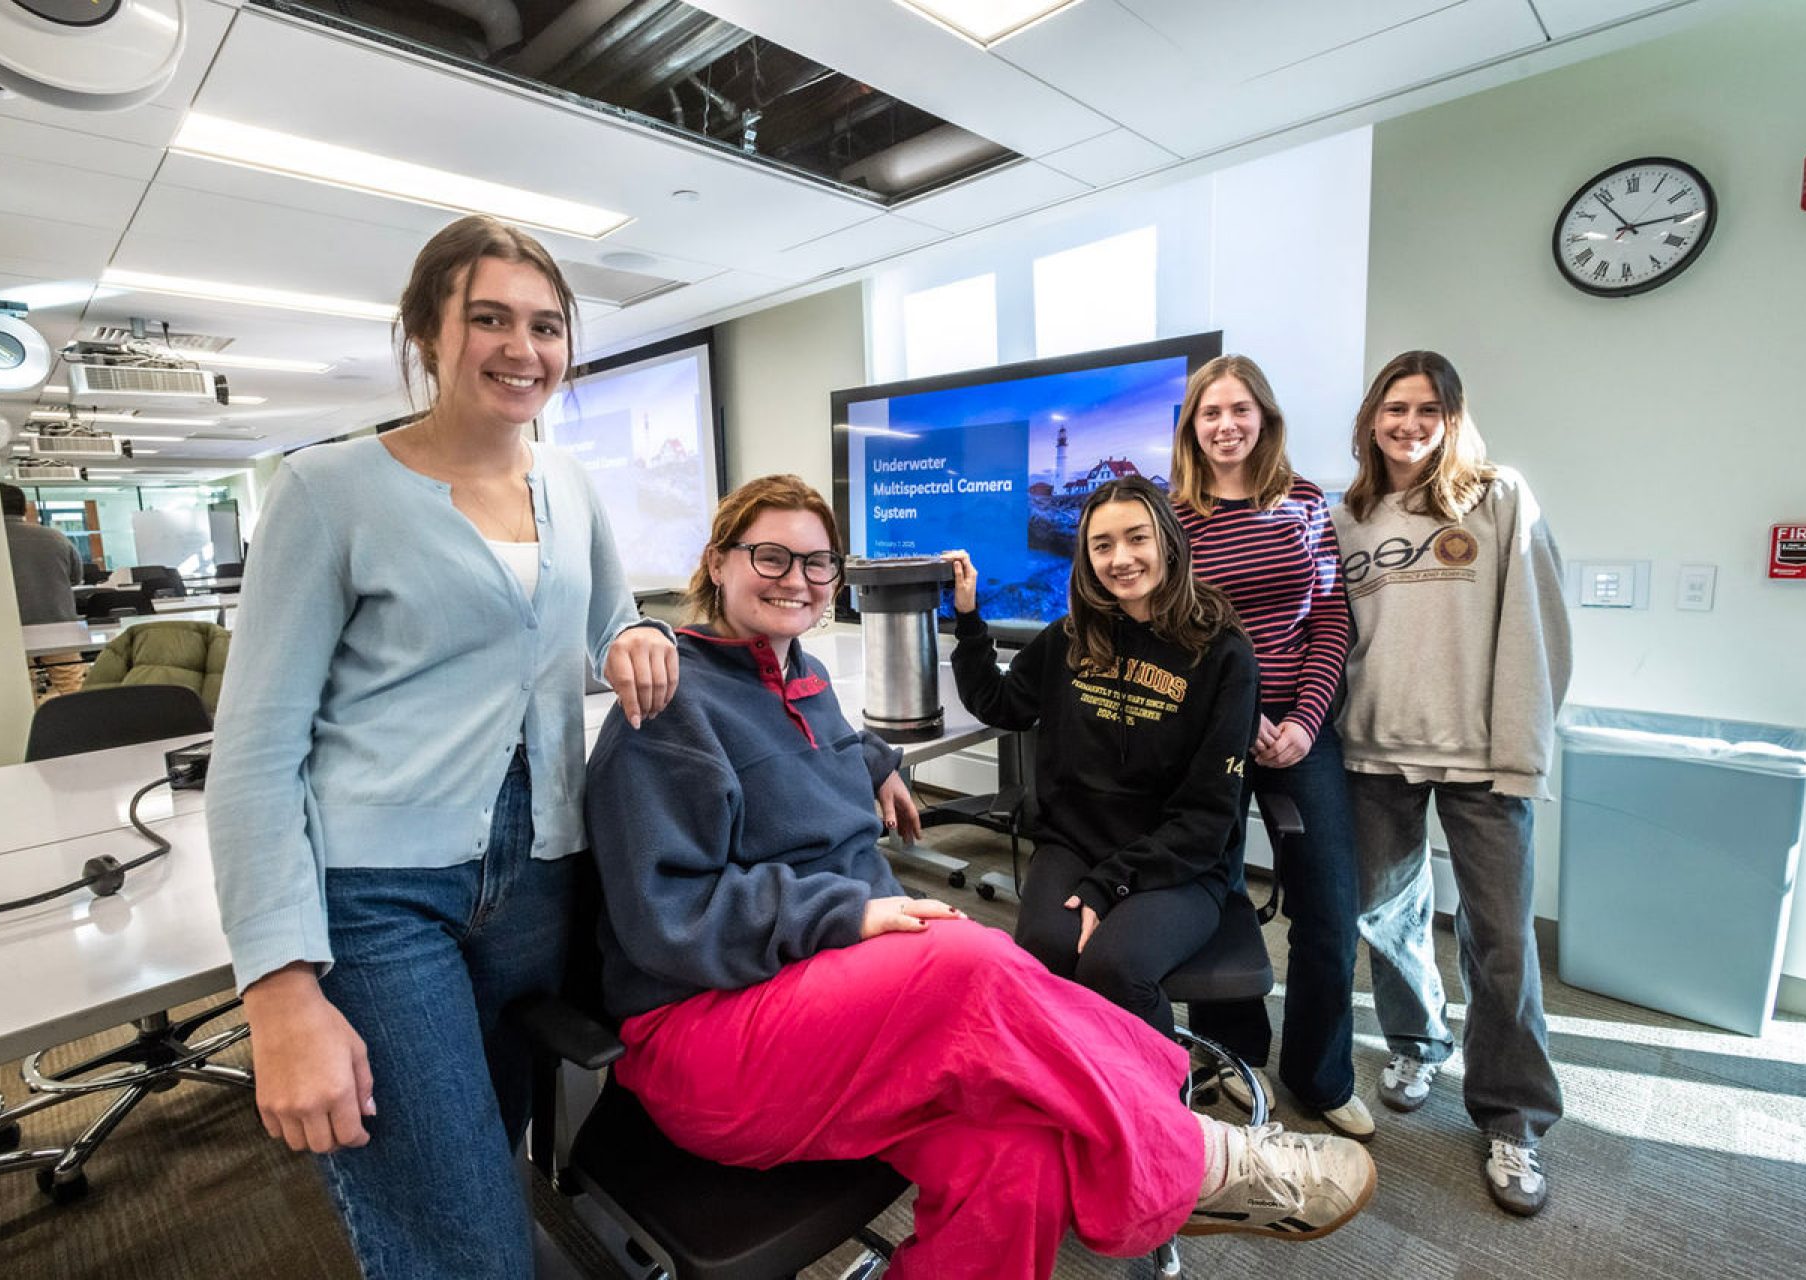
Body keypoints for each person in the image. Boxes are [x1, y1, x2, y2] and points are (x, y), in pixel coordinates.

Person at [584, 474, 1375, 1280]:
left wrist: (877, 763)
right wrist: (846, 916)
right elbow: (670, 916)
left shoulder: (803, 675)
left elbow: (819, 739)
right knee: (973, 959)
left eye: (818, 564)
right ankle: (1191, 1158)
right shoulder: (669, 697)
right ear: (717, 563)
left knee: (1020, 1157)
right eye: (771, 556)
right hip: (712, 1033)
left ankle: (1164, 1140)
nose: (797, 579)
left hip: (830, 1008)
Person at [205, 214, 679, 1278]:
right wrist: (277, 988)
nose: (524, 347)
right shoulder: (329, 493)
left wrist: (637, 631)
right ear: (428, 331)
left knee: (487, 1165)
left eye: (546, 325)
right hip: (382, 899)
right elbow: (252, 752)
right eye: (490, 318)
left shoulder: (571, 484)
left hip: (539, 885)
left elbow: (608, 616)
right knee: (464, 1243)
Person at [1331, 350, 1571, 1216]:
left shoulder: (1499, 495)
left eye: (1427, 409)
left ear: (1452, 416)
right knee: (1384, 913)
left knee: (1501, 936)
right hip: (1374, 750)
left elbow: (1540, 630)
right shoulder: (1346, 513)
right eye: (1394, 408)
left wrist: (1521, 748)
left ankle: (1513, 1117)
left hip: (1482, 757)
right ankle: (1417, 1039)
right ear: (1370, 418)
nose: (1408, 424)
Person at [943, 475, 1257, 1041]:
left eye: (1137, 538)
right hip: (1076, 842)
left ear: (1167, 541)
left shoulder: (1222, 652)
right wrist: (968, 618)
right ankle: (1078, 1094)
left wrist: (1109, 884)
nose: (1121, 559)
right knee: (1044, 949)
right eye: (1102, 545)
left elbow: (1209, 814)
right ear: (1086, 557)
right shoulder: (1071, 636)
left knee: (1116, 967)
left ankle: (1162, 1120)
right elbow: (1000, 702)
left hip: (1179, 861)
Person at [1167, 355, 1371, 1142]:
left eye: (1240, 409)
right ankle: (1231, 1052)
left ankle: (1320, 1076)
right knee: (1213, 894)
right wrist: (1236, 713)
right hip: (1210, 726)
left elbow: (1330, 623)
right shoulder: (1173, 515)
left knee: (1328, 905)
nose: (1226, 425)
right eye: (1210, 412)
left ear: (1265, 418)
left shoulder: (1306, 503)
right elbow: (1168, 634)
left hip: (1300, 724)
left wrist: (1305, 720)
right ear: (1193, 425)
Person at [0, 482, 81, 624]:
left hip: (9, 629)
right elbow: (76, 578)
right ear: (24, 509)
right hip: (62, 626)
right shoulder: (57, 537)